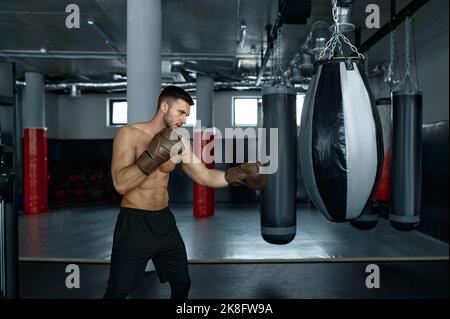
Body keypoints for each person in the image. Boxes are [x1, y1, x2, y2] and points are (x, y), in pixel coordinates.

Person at [103, 85, 266, 299]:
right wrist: (153, 157)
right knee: (117, 292)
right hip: (134, 223)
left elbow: (203, 176)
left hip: (164, 222)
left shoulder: (179, 140)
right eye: (181, 112)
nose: (184, 120)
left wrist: (238, 174)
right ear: (164, 107)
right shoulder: (129, 134)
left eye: (187, 115)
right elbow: (120, 184)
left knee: (182, 283)